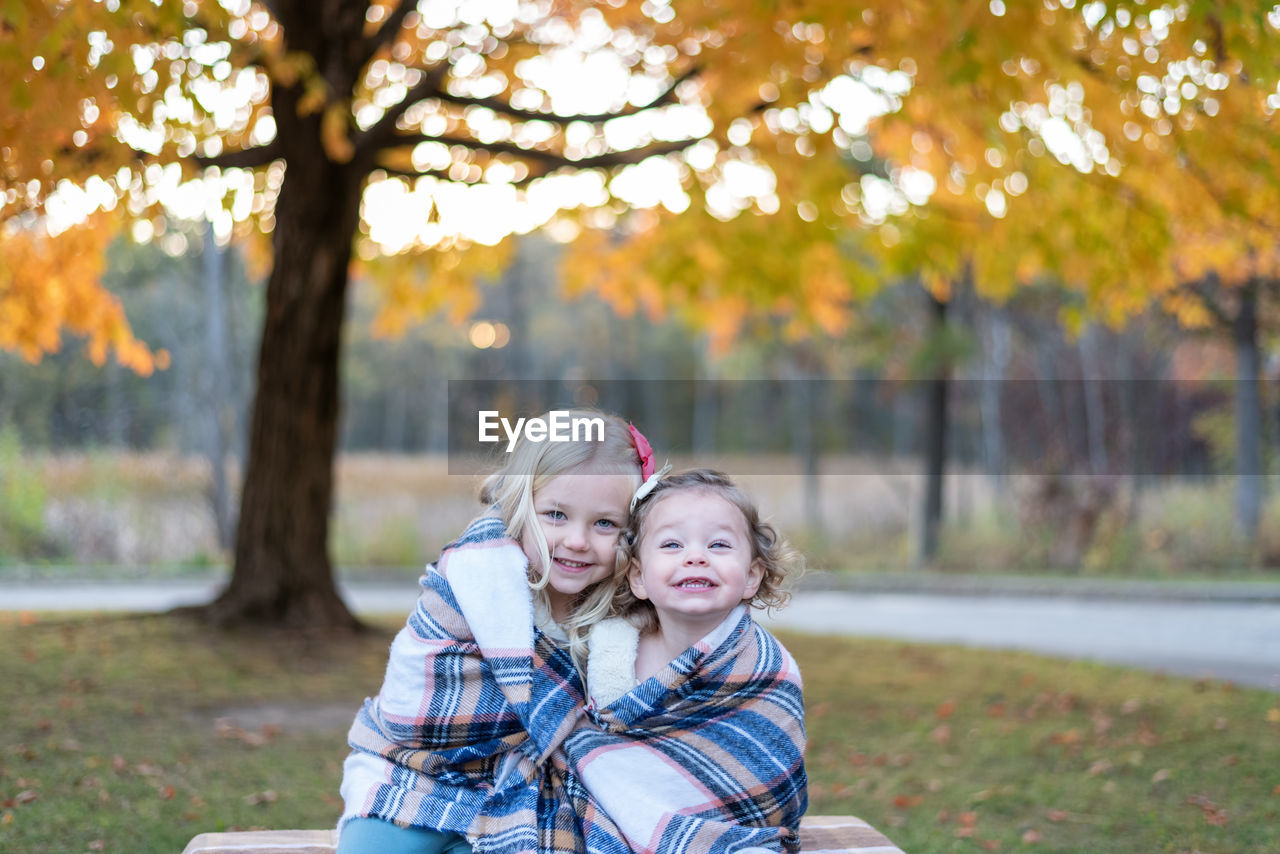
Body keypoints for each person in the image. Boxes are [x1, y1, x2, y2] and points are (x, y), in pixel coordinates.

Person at [337, 409, 650, 854]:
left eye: (605, 523)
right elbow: (415, 700)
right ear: (521, 505)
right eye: (556, 515)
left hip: (528, 792)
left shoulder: (623, 616)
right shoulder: (477, 576)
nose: (578, 540)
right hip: (417, 773)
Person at [572, 468, 808, 853]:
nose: (696, 557)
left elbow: (769, 782)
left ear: (751, 575)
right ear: (638, 577)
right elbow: (596, 760)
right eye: (671, 546)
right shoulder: (605, 658)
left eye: (718, 545)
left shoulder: (766, 671)